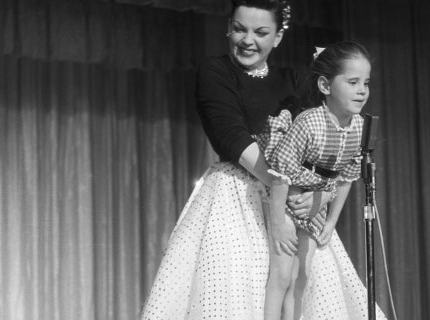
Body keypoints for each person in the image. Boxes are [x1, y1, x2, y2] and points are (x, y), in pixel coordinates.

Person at [139, 1, 334, 319]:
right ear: (228, 27)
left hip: (292, 202)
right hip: (235, 199)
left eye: (260, 32)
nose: (247, 40)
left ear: (278, 37)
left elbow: (317, 144)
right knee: (237, 293)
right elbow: (233, 138)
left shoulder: (293, 81)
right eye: (240, 29)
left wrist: (314, 192)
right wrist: (286, 187)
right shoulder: (216, 72)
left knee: (299, 291)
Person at [258, 41, 388, 320]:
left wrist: (331, 222)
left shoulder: (359, 128)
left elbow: (346, 178)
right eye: (353, 82)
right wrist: (279, 221)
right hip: (289, 194)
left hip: (318, 200)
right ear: (325, 86)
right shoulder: (309, 122)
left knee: (300, 274)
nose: (362, 90)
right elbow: (281, 174)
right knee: (282, 272)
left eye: (366, 82)